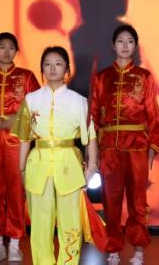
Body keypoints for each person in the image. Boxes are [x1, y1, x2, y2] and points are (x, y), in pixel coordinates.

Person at [13, 46, 99, 265]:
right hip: (38, 164)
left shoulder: (78, 101)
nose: (52, 68)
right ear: (42, 68)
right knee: (40, 224)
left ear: (67, 69)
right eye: (47, 64)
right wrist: (21, 169)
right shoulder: (31, 100)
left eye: (58, 63)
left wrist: (91, 166)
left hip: (68, 164)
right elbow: (24, 138)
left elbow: (90, 136)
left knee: (70, 223)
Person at [90, 24, 159, 265]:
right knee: (110, 200)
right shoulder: (102, 78)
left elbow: (153, 114)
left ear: (135, 46)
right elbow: (93, 116)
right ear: (113, 45)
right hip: (109, 147)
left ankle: (138, 249)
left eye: (130, 41)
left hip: (137, 146)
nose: (125, 45)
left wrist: (153, 146)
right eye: (120, 41)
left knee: (137, 201)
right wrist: (94, 149)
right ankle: (113, 248)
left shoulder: (144, 77)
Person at [0, 32, 40, 263]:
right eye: (2, 47)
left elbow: (37, 106)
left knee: (16, 191)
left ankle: (14, 244)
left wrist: (17, 118)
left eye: (11, 47)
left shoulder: (27, 76)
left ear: (17, 51)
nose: (6, 51)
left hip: (17, 140)